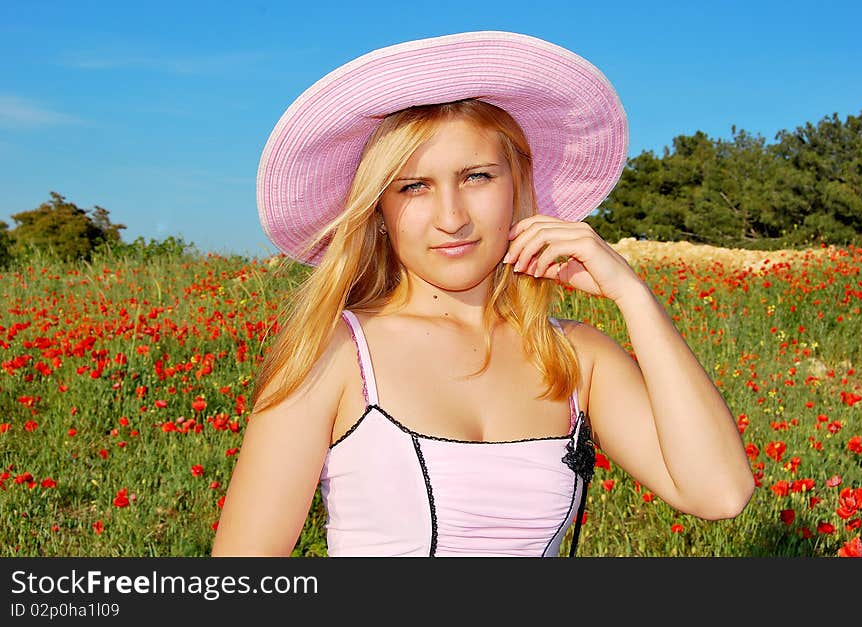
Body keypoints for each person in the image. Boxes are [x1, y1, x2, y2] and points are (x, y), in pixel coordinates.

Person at [211, 30, 754, 557]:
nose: (452, 218)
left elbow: (719, 493)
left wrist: (635, 297)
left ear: (518, 186)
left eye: (477, 177)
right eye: (414, 187)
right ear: (379, 211)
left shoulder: (577, 358)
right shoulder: (335, 353)